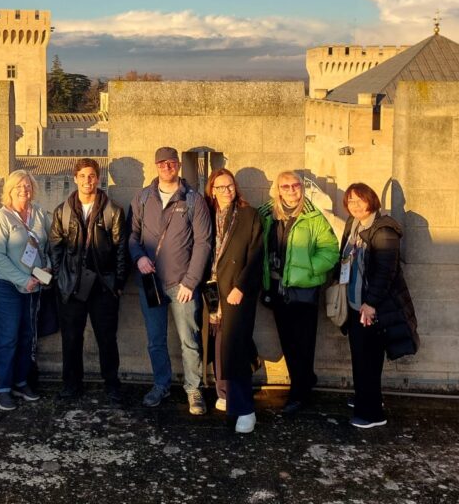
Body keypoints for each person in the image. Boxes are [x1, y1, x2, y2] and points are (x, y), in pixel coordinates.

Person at [129, 146, 213, 414]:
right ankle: (161, 384)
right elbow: (132, 237)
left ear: (178, 165)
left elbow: (204, 243)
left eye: (172, 162)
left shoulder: (193, 200)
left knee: (189, 339)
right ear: (155, 166)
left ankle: (193, 389)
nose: (167, 167)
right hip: (150, 283)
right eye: (162, 163)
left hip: (182, 285)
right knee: (155, 339)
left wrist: (191, 281)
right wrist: (139, 257)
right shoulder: (142, 198)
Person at [259, 170, 339, 416]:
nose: (292, 190)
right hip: (277, 287)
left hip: (303, 290)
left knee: (303, 343)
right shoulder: (266, 214)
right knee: (288, 342)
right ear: (278, 189)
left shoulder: (313, 217)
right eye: (286, 186)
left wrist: (308, 270)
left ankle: (299, 393)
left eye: (296, 185)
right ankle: (304, 381)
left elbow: (330, 251)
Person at [339, 182, 419, 429]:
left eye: (359, 200)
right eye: (350, 201)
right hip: (355, 303)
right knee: (359, 356)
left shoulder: (383, 230)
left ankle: (372, 413)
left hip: (371, 308)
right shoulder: (354, 225)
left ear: (371, 201)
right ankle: (364, 397)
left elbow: (385, 272)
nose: (355, 205)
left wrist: (370, 304)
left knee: (369, 359)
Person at [48, 158, 129, 403]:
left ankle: (112, 383)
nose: (87, 181)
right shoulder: (62, 211)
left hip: (103, 285)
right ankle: (71, 384)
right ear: (75, 178)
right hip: (71, 285)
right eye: (82, 176)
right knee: (71, 337)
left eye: (92, 175)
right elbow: (55, 247)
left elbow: (121, 249)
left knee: (106, 338)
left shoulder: (113, 210)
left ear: (98, 178)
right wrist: (59, 277)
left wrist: (118, 284)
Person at [202, 169, 263, 433]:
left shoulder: (249, 215)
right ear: (212, 191)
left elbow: (256, 255)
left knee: (235, 348)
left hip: (237, 291)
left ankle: (245, 409)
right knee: (217, 342)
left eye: (230, 186)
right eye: (220, 187)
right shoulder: (207, 216)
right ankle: (225, 394)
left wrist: (241, 287)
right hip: (213, 289)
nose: (226, 191)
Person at [0, 170, 52, 411]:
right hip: (6, 286)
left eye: (27, 186)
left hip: (33, 284)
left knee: (27, 336)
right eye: (18, 187)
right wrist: (23, 279)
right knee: (8, 338)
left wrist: (47, 269)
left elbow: (50, 243)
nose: (24, 190)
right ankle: (2, 388)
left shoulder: (37, 213)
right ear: (9, 191)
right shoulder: (1, 218)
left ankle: (21, 382)